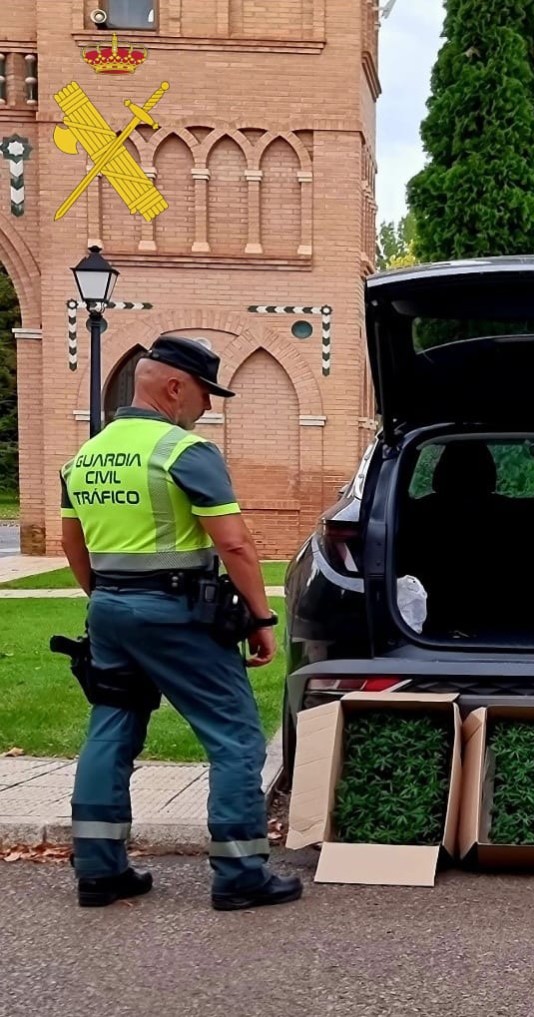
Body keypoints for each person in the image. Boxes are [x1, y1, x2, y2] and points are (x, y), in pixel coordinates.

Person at [59, 334, 303, 911]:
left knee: (111, 728)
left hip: (110, 610)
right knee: (235, 733)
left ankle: (99, 871)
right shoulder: (183, 452)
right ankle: (241, 875)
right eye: (204, 393)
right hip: (176, 613)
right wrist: (261, 619)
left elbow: (75, 548)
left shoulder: (84, 457)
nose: (208, 407)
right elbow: (236, 544)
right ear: (174, 387)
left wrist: (110, 602)